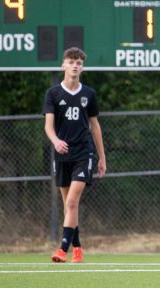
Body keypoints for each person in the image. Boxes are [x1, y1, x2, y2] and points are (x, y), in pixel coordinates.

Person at [43, 47, 107, 263]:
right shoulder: (53, 94)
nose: (75, 65)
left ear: (82, 67)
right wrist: (56, 141)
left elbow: (95, 126)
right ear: (63, 65)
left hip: (84, 153)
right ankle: (77, 247)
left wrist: (102, 157)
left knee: (72, 202)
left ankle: (62, 249)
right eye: (71, 61)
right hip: (62, 155)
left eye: (79, 62)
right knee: (69, 206)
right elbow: (48, 127)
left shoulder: (89, 94)